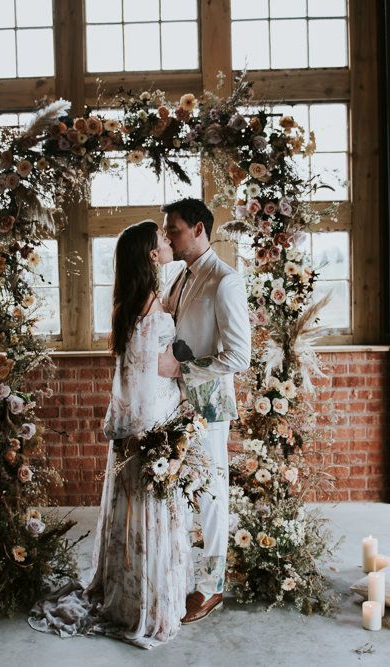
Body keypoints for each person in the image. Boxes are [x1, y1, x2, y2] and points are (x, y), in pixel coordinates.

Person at [28, 220, 191, 648]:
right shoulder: (153, 310)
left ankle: (133, 594)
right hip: (152, 425)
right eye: (162, 240)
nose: (169, 241)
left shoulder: (132, 303)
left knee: (135, 513)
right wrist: (166, 424)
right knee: (150, 510)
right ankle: (147, 605)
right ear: (152, 256)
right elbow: (152, 377)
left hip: (140, 425)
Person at [158, 198, 251, 624]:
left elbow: (239, 356)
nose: (167, 237)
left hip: (209, 405)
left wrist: (185, 368)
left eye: (173, 230)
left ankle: (213, 585)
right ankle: (177, 571)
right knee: (174, 488)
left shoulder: (225, 281)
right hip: (171, 402)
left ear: (198, 228)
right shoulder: (179, 274)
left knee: (212, 496)